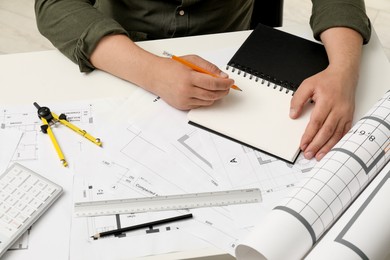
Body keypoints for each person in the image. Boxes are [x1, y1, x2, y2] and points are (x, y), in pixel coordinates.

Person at [35, 0, 371, 161]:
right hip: (124, 57)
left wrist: (343, 70)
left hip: (234, 57)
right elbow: (55, 5)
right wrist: (152, 72)